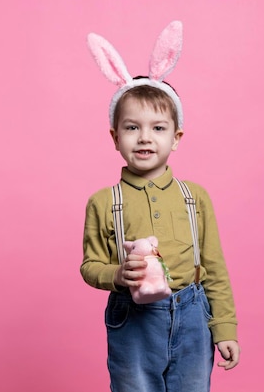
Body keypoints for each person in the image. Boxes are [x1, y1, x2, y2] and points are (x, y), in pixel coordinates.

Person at [80, 21, 239, 392]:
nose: (145, 137)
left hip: (193, 318)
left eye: (158, 128)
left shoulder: (194, 197)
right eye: (132, 128)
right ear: (115, 137)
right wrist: (117, 275)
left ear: (176, 137)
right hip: (133, 323)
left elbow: (214, 267)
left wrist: (225, 328)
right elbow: (90, 265)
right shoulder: (104, 202)